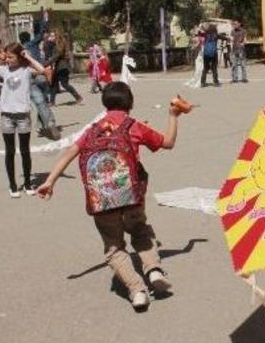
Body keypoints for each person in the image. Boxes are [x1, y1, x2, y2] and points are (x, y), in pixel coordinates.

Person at [36, 82, 181, 310]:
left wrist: (50, 181)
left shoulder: (92, 129)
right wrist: (173, 115)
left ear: (104, 103)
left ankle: (137, 291)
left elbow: (70, 153)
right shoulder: (134, 125)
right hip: (131, 198)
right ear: (130, 103)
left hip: (101, 200)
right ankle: (153, 270)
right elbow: (168, 142)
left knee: (114, 247)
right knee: (141, 231)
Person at [0, 43, 46, 197]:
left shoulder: (26, 71)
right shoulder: (4, 70)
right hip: (7, 116)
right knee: (9, 151)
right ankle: (13, 185)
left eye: (11, 57)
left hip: (23, 116)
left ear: (19, 56)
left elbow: (41, 70)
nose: (8, 60)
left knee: (25, 151)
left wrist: (27, 56)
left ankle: (28, 184)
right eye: (7, 57)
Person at [19, 23, 60, 140]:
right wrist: (45, 21)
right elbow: (41, 34)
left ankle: (41, 125)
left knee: (40, 102)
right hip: (39, 75)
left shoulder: (20, 50)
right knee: (42, 101)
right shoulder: (32, 44)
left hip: (30, 78)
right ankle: (48, 123)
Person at [46, 31, 83, 105]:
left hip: (62, 67)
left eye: (53, 36)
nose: (51, 37)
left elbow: (56, 56)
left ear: (57, 37)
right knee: (53, 84)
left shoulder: (60, 45)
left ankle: (78, 97)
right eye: (51, 36)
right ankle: (52, 102)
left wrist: (46, 63)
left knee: (65, 84)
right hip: (58, 68)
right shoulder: (55, 45)